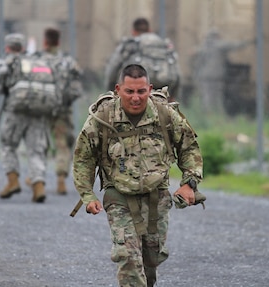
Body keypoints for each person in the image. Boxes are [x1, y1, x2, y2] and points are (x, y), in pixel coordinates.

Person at [73, 64, 204, 286]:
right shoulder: (103, 117)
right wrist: (88, 195)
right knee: (128, 259)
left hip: (157, 198)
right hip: (119, 197)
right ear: (118, 89)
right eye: (130, 91)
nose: (136, 98)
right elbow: (84, 158)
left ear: (150, 89)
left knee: (151, 259)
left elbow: (189, 148)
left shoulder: (165, 114)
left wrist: (189, 183)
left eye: (141, 91)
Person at [0, 33, 50, 203]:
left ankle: (13, 181)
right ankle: (38, 186)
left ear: (7, 48)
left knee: (8, 145)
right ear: (23, 48)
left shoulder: (8, 62)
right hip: (38, 112)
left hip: (16, 111)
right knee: (36, 150)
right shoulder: (35, 62)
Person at [28, 27, 83, 195]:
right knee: (62, 144)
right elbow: (77, 83)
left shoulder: (35, 60)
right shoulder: (67, 62)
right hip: (61, 110)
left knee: (39, 142)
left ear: (45, 42)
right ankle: (61, 178)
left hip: (40, 110)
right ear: (58, 42)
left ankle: (36, 177)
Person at [104, 17, 181, 102]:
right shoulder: (164, 44)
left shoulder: (130, 44)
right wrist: (173, 95)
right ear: (150, 30)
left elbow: (114, 67)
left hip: (134, 88)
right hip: (163, 87)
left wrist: (111, 91)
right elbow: (176, 72)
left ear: (133, 32)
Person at [191, 28, 255, 112]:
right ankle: (217, 114)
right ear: (216, 36)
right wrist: (249, 42)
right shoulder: (219, 45)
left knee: (207, 96)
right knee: (217, 97)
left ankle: (207, 114)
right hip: (216, 76)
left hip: (205, 76)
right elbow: (234, 45)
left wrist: (196, 75)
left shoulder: (203, 47)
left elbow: (197, 63)